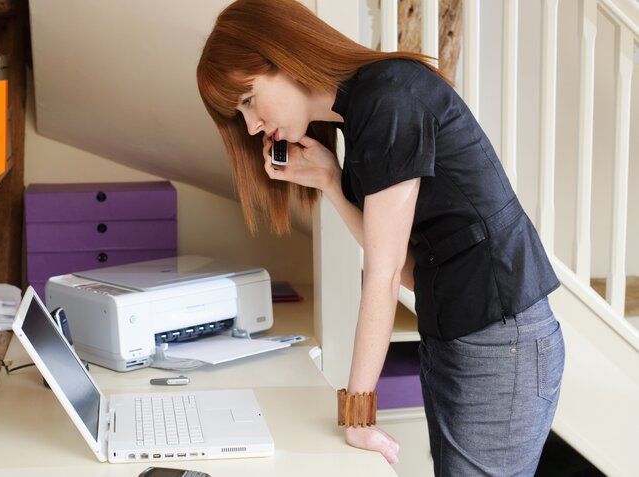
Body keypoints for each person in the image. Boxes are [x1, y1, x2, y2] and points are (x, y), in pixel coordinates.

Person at [196, 0, 565, 475]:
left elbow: (384, 275)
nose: (251, 126)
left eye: (248, 100)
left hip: (499, 340)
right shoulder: (364, 112)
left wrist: (359, 414)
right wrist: (332, 183)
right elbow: (409, 270)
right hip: (461, 334)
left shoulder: (390, 100)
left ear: (281, 57)